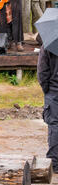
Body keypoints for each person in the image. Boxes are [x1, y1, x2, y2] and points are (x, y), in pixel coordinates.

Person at [37, 45, 58, 173]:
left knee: (54, 126)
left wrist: (47, 90)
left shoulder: (49, 45)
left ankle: (55, 163)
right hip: (53, 90)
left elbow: (42, 71)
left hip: (54, 91)